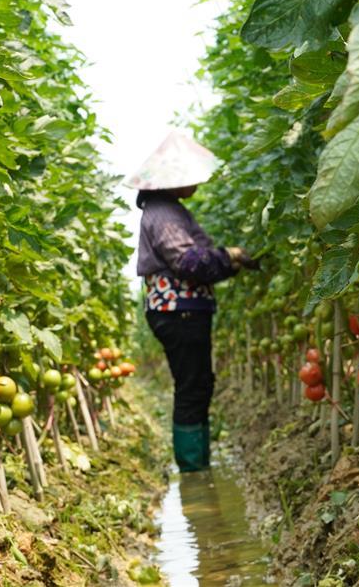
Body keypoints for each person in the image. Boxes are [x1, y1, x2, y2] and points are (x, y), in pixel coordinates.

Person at [127, 132, 257, 472]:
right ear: (172, 180)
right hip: (178, 311)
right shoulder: (164, 213)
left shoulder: (168, 210)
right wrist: (228, 256)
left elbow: (197, 265)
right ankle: (194, 472)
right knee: (192, 386)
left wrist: (229, 262)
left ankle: (197, 466)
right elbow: (189, 263)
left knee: (198, 383)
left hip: (181, 311)